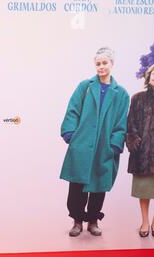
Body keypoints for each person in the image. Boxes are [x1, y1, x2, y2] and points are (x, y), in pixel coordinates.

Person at [60, 47, 130, 237]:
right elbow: (73, 110)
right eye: (98, 63)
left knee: (99, 185)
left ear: (112, 64)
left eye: (104, 63)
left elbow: (121, 121)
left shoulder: (121, 94)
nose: (101, 67)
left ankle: (93, 221)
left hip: (104, 147)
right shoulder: (85, 86)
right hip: (82, 144)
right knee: (77, 185)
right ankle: (76, 221)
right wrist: (69, 134)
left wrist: (115, 144)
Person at [126, 64, 154, 237]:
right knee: (144, 189)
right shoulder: (137, 98)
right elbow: (131, 124)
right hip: (143, 153)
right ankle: (144, 221)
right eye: (152, 74)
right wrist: (135, 141)